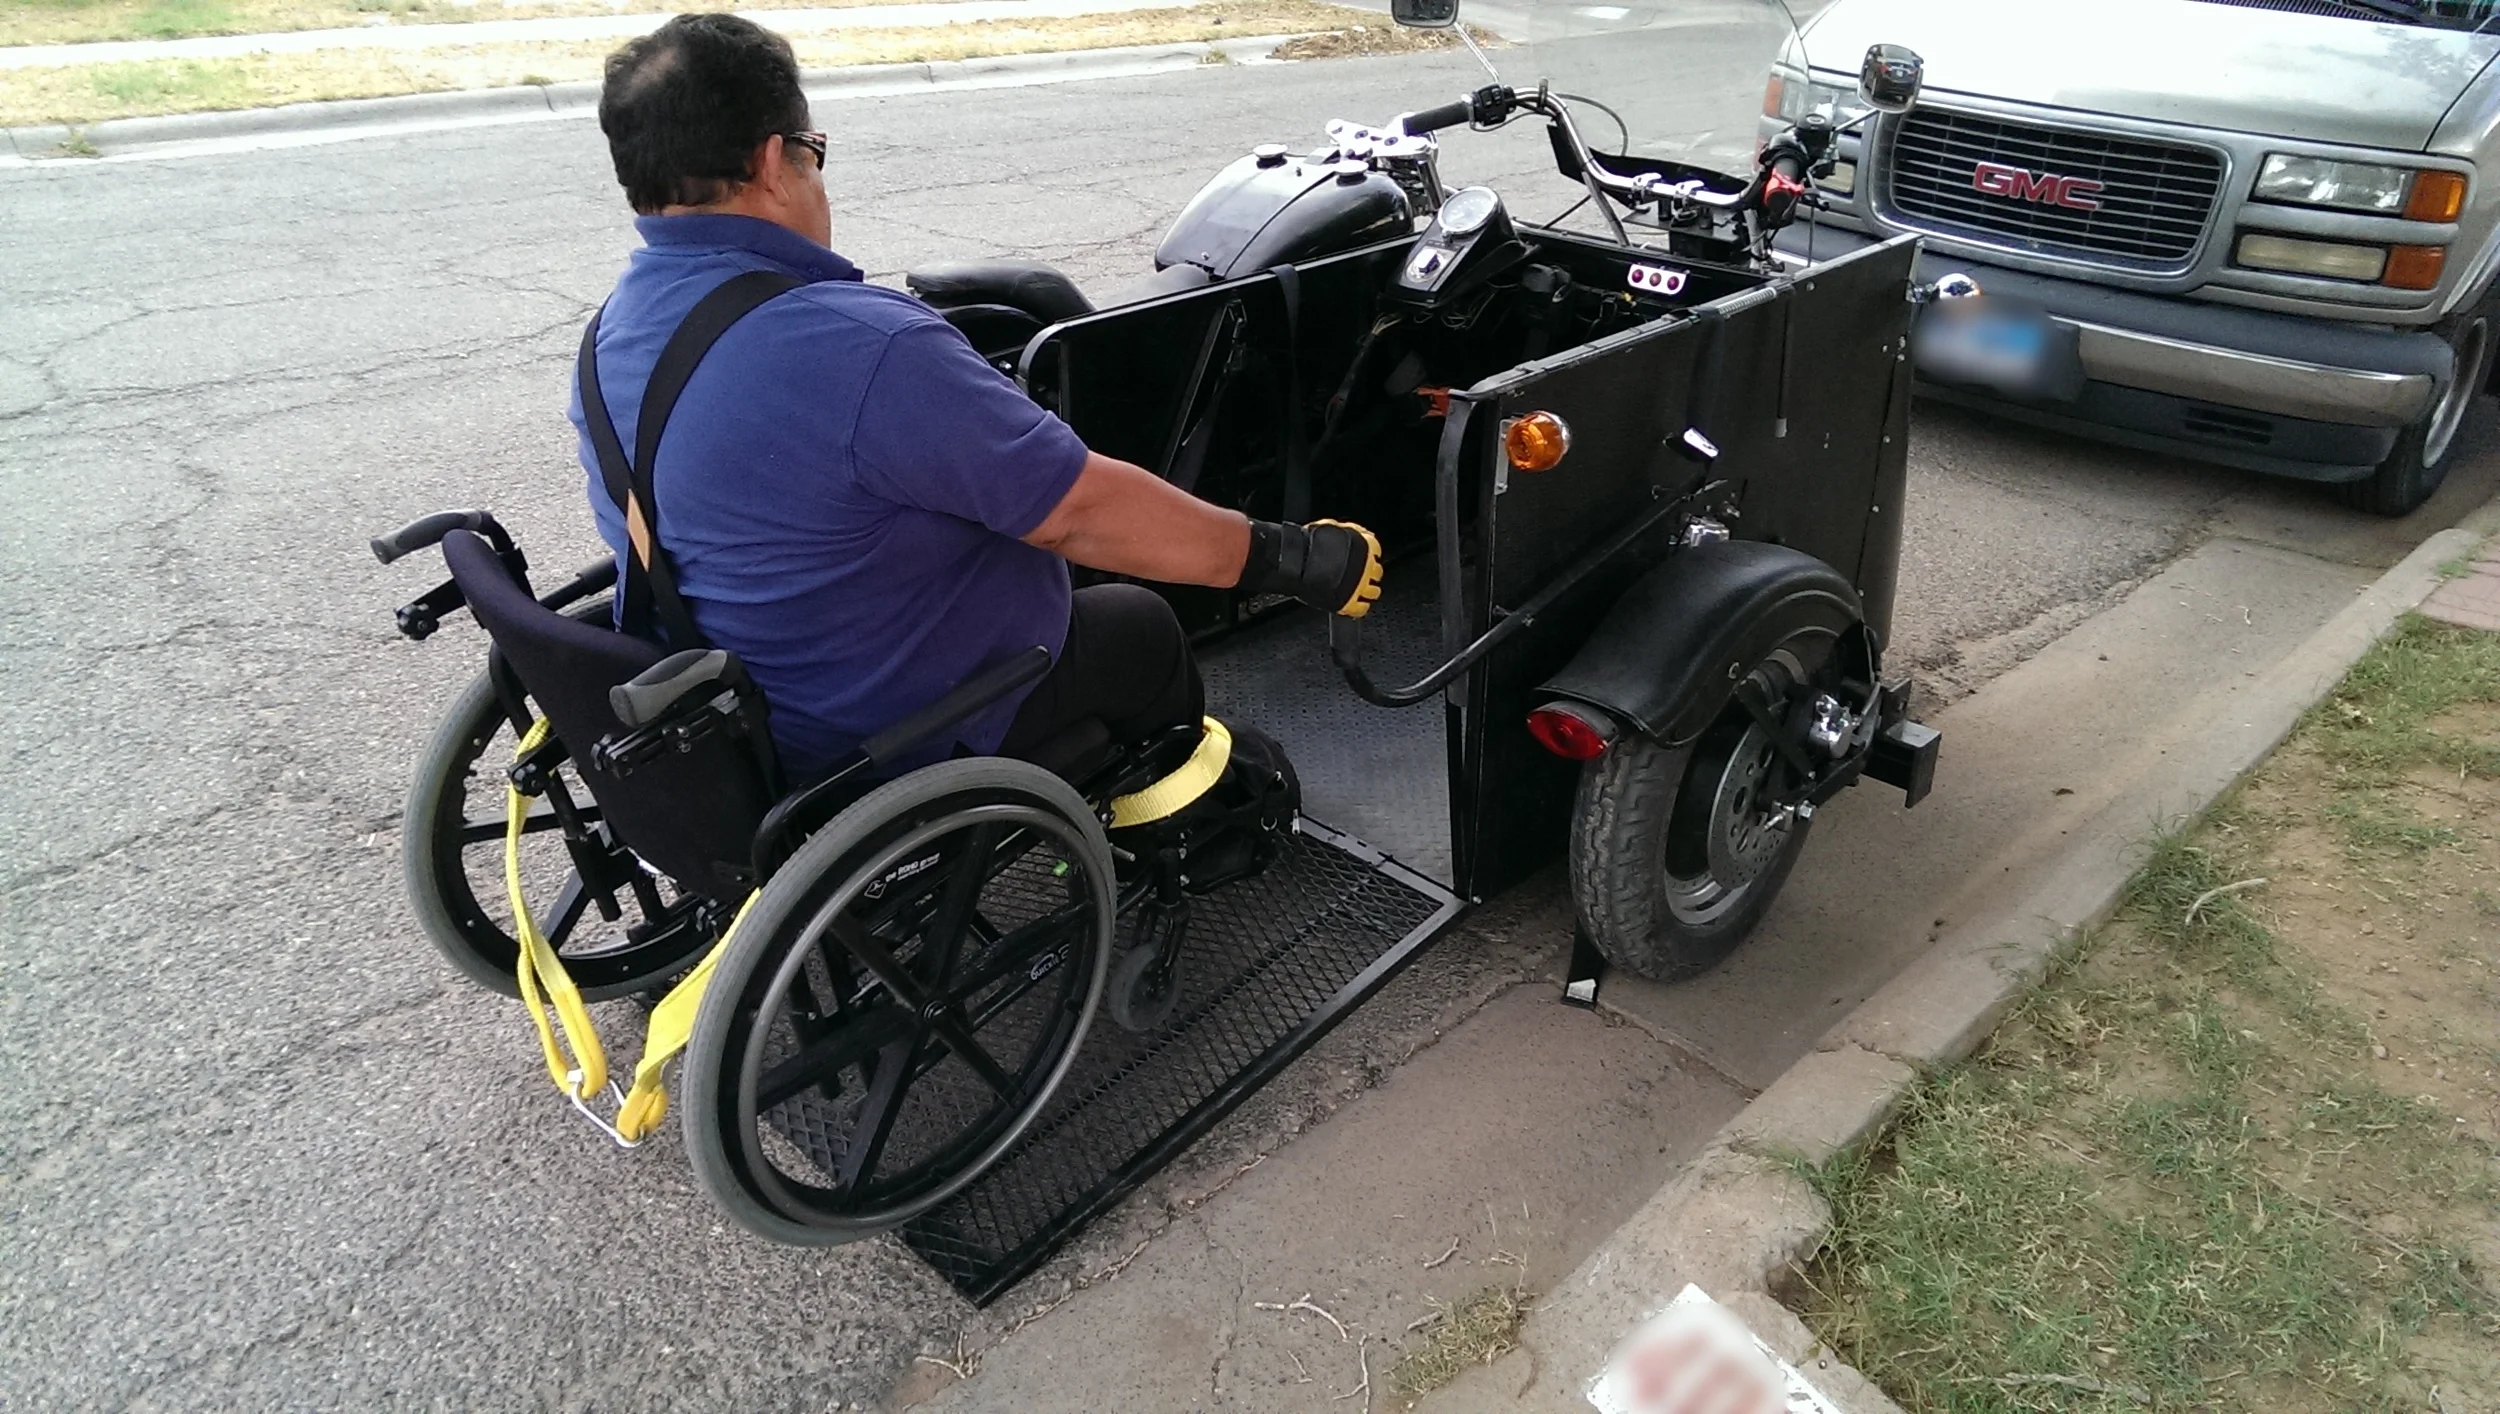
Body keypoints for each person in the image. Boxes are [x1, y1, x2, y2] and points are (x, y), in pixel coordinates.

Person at [571, 12, 1381, 783]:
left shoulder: (610, 335)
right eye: (815, 151)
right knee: (1138, 626)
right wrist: (1294, 557)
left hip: (735, 714)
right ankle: (1172, 818)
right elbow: (1081, 511)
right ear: (772, 161)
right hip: (883, 733)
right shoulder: (859, 347)